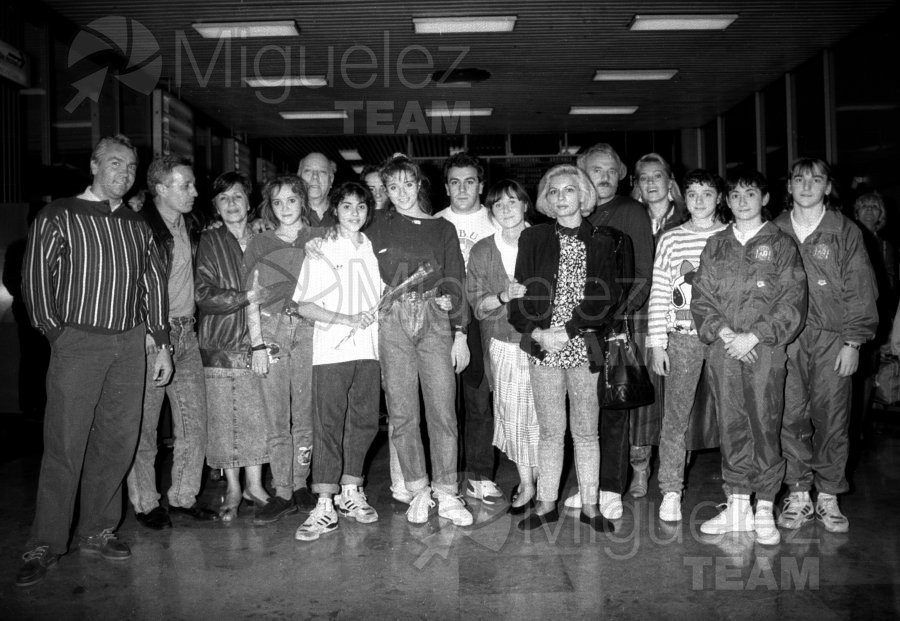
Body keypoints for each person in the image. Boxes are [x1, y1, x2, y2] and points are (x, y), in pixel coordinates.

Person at [18, 134, 173, 587]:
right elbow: (35, 279)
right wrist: (56, 333)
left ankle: (98, 530)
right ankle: (45, 541)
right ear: (93, 165)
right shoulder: (59, 214)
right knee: (65, 443)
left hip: (129, 346)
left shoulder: (136, 225)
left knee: (117, 441)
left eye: (130, 168)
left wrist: (161, 342)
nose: (122, 174)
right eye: (114, 164)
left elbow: (153, 286)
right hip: (78, 342)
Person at [691, 168, 807, 546]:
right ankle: (738, 504)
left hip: (765, 351)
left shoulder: (781, 244)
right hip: (724, 350)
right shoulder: (716, 245)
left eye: (750, 194)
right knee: (731, 425)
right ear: (726, 200)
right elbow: (702, 298)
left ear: (766, 199)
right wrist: (725, 334)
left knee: (765, 424)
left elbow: (792, 301)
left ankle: (765, 506)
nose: (742, 202)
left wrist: (755, 335)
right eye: (735, 195)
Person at [508, 164, 625, 533]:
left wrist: (569, 330)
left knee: (587, 431)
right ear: (546, 199)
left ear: (583, 194)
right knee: (550, 431)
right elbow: (519, 297)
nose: (561, 197)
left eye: (569, 190)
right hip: (543, 346)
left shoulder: (606, 239)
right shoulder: (534, 239)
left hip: (584, 344)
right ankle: (546, 504)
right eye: (553, 191)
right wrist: (536, 332)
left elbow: (607, 297)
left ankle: (591, 505)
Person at [364, 154, 472, 526]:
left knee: (442, 410)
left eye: (407, 184)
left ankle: (447, 491)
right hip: (392, 320)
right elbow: (338, 232)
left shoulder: (442, 229)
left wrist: (460, 332)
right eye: (392, 187)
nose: (401, 192)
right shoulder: (376, 223)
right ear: (385, 192)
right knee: (402, 412)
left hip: (435, 319)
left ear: (419, 184)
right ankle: (418, 489)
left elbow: (455, 278)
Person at [775, 158, 878, 534]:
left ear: (827, 187)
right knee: (790, 414)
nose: (806, 186)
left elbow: (861, 289)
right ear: (788, 186)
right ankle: (799, 491)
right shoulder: (775, 230)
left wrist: (853, 341)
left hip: (833, 338)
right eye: (799, 179)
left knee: (832, 416)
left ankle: (829, 494)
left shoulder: (844, 231)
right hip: (787, 340)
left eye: (815, 180)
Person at [126, 155, 216, 531]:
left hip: (187, 333)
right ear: (160, 189)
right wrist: (149, 333)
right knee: (145, 427)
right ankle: (146, 503)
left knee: (195, 424)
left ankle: (182, 497)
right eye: (186, 185)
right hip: (151, 334)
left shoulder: (191, 224)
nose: (195, 192)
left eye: (193, 184)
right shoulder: (137, 225)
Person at [564, 143, 653, 518]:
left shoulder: (630, 212)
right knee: (584, 409)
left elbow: (642, 277)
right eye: (595, 170)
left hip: (611, 328)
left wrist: (616, 320)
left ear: (620, 175)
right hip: (576, 330)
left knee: (613, 403)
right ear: (582, 172)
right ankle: (589, 484)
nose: (603, 177)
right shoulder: (575, 212)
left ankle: (611, 488)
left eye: (610, 171)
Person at [293, 182, 382, 541]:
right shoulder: (321, 249)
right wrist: (346, 319)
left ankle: (350, 492)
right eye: (347, 206)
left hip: (368, 352)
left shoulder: (371, 247)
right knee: (328, 425)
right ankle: (324, 503)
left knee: (363, 424)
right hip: (331, 352)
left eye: (361, 207)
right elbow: (304, 305)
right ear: (336, 209)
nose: (355, 213)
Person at [195, 172, 286, 522]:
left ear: (249, 203)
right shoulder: (210, 241)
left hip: (262, 342)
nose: (232, 204)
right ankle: (232, 488)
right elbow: (202, 294)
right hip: (221, 342)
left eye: (237, 197)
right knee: (224, 421)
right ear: (216, 207)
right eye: (224, 199)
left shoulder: (265, 236)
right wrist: (243, 297)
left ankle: (254, 485)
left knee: (258, 417)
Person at [647, 169, 729, 522]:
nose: (698, 201)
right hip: (681, 337)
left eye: (707, 194)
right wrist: (657, 342)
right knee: (675, 417)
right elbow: (661, 291)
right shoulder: (671, 238)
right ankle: (670, 490)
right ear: (684, 198)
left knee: (733, 416)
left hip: (726, 338)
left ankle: (737, 492)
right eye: (692, 193)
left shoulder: (731, 237)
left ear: (719, 199)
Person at [243, 174, 321, 524]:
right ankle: (283, 490)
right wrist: (257, 343)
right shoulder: (259, 243)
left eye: (292, 200)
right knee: (277, 418)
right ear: (269, 207)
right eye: (277, 202)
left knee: (304, 415)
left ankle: (302, 484)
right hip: (271, 330)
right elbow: (251, 297)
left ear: (303, 201)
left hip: (309, 329)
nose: (285, 208)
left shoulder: (319, 238)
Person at [465, 180, 538, 512]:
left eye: (513, 202)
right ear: (491, 212)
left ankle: (541, 481)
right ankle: (528, 483)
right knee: (514, 417)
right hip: (505, 343)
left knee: (543, 418)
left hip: (547, 342)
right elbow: (477, 307)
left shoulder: (545, 241)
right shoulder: (482, 250)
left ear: (526, 205)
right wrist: (503, 296)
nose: (506, 210)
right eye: (498, 205)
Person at [436, 152, 502, 504]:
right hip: (440, 323)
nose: (463, 188)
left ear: (481, 184)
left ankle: (480, 475)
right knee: (443, 405)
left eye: (470, 181)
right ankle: (444, 478)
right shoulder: (433, 223)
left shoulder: (497, 220)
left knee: (479, 401)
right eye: (455, 181)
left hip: (483, 321)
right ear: (446, 187)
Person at [298, 152, 338, 227]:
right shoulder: (285, 213)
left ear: (331, 179)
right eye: (308, 171)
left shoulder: (345, 212)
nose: (315, 176)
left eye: (322, 172)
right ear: (299, 177)